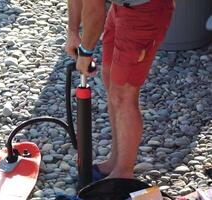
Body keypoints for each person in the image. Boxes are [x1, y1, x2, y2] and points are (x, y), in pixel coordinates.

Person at [65, 0, 175, 180]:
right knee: (110, 79)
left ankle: (123, 174)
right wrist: (73, 32)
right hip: (121, 7)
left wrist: (85, 52)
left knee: (123, 95)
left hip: (145, 10)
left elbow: (94, 9)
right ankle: (115, 162)